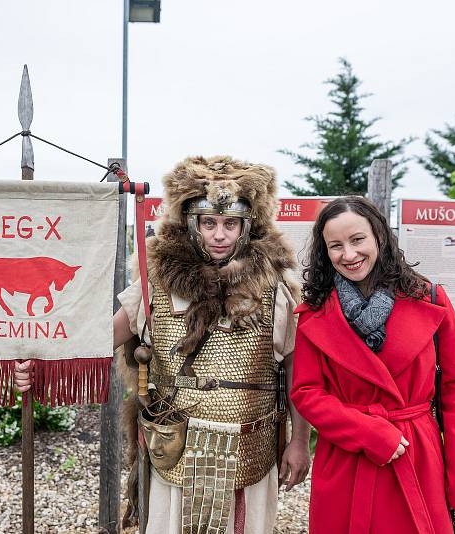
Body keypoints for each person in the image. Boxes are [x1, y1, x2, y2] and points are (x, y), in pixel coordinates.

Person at [16, 156, 311, 533]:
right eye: (209, 223)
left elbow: (298, 372)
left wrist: (299, 442)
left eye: (230, 224)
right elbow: (99, 339)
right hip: (175, 445)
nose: (219, 235)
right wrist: (41, 364)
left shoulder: (276, 291)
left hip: (250, 445)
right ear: (192, 225)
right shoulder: (155, 283)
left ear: (246, 227)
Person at [289, 196, 455, 533]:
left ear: (379, 235)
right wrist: (366, 432)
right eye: (335, 245)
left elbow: (454, 391)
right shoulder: (315, 311)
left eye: (357, 240)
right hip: (347, 457)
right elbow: (306, 392)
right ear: (325, 252)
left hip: (416, 454)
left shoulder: (431, 299)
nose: (348, 255)